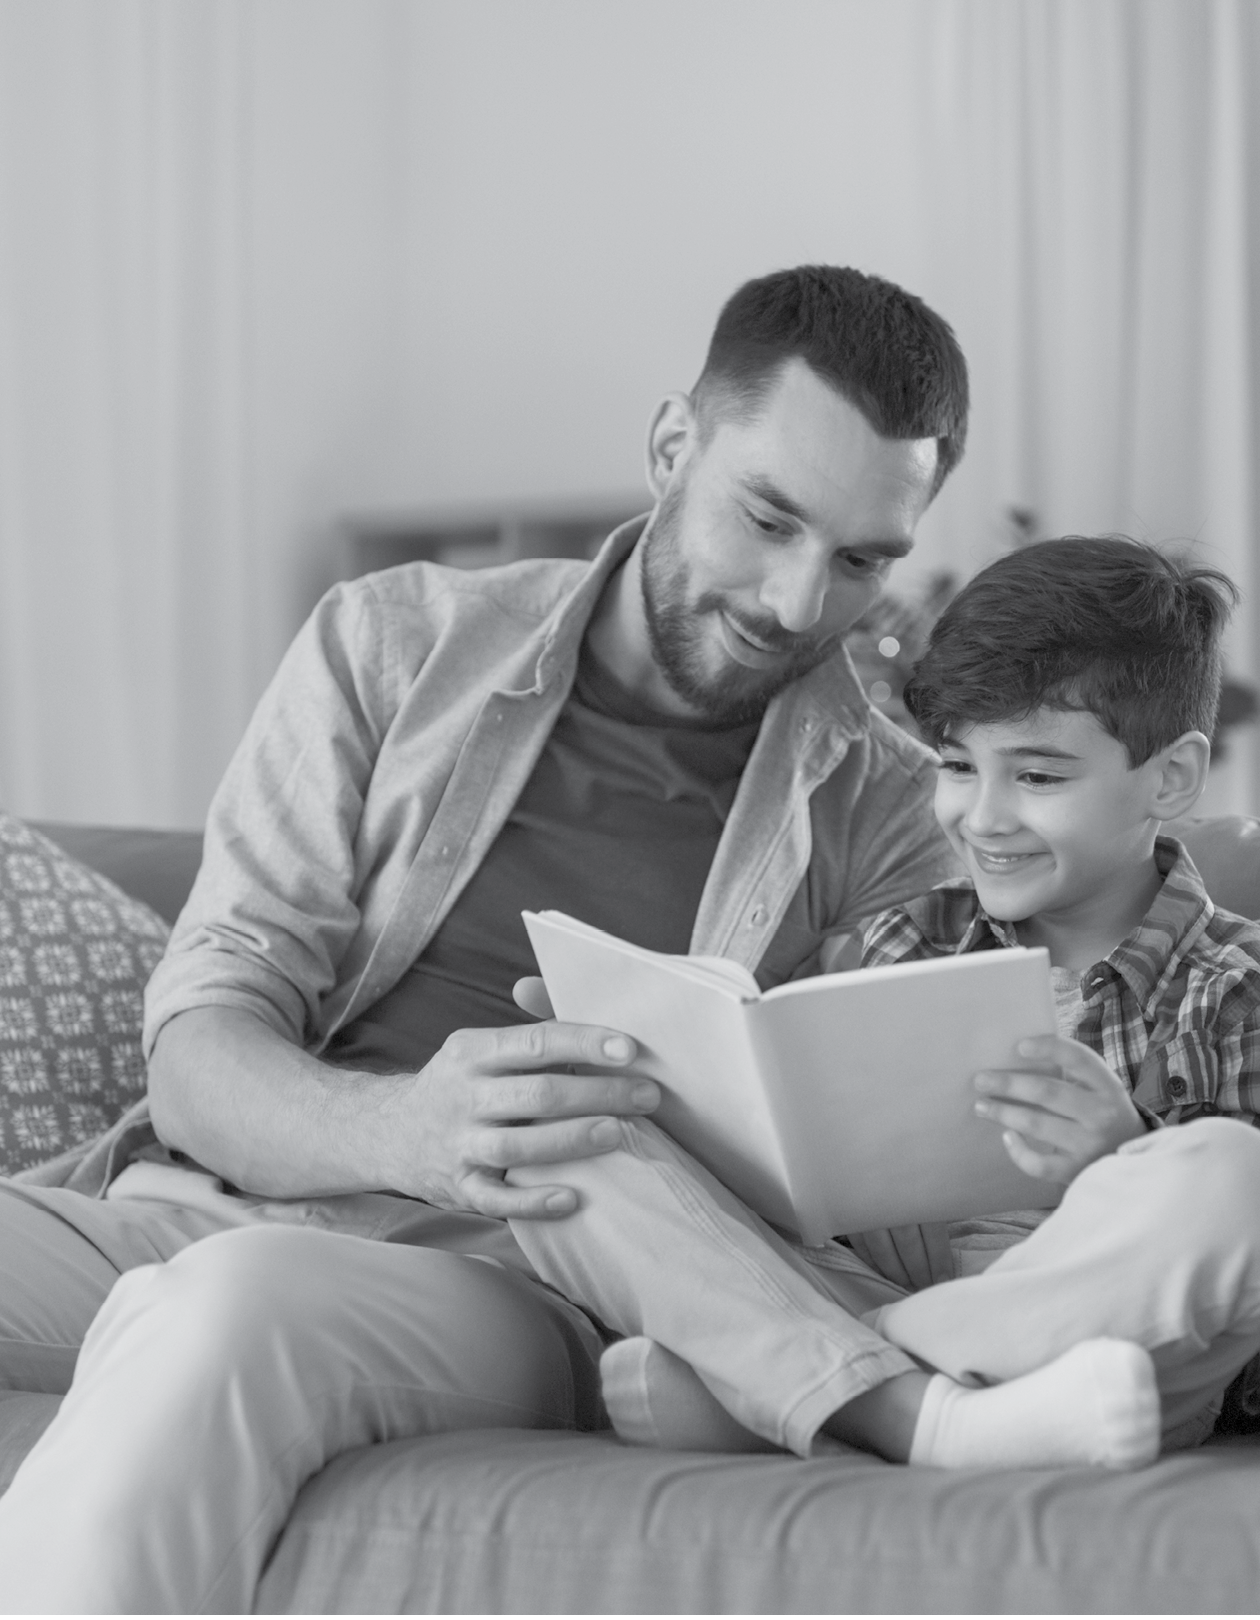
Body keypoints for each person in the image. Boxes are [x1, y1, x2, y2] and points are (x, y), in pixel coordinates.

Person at [0, 264, 969, 1612]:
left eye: (862, 559)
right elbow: (203, 1047)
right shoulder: (393, 646)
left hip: (515, 1280)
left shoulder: (893, 801)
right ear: (670, 447)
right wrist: (406, 1129)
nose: (799, 604)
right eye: (768, 520)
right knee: (212, 1278)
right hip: (189, 1201)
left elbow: (893, 1189)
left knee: (226, 1316)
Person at [507, 535, 1260, 1476]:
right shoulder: (900, 940)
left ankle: (799, 1378)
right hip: (882, 1266)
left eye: (1036, 776)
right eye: (955, 767)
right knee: (558, 1131)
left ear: (1173, 779)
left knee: (1234, 1173)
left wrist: (1119, 1156)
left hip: (1112, 1341)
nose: (982, 818)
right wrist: (641, 1063)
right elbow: (788, 1174)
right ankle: (919, 1414)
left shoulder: (1236, 988)